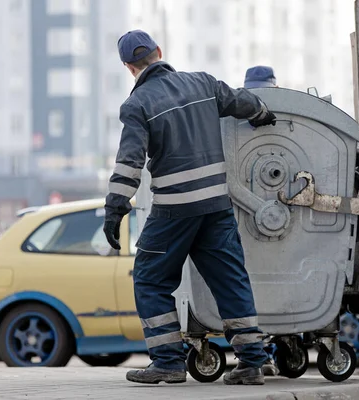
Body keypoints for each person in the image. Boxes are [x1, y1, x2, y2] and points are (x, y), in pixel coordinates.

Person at [103, 30, 276, 386]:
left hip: (173, 211)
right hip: (216, 206)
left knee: (151, 280)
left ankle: (167, 362)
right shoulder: (203, 83)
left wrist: (115, 208)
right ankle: (252, 362)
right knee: (230, 279)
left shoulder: (137, 105)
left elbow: (129, 163)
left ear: (129, 67)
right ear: (159, 53)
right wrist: (261, 113)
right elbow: (242, 101)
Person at [243, 65, 280, 378]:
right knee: (281, 288)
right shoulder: (288, 115)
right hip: (283, 219)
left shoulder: (233, 116)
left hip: (245, 222)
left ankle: (261, 354)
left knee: (251, 288)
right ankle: (279, 349)